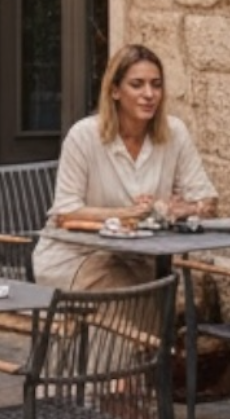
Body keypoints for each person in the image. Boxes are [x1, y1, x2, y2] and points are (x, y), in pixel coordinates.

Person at [30, 43, 218, 290]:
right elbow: (66, 214)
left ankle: (91, 327)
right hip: (77, 257)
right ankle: (120, 328)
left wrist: (183, 209)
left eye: (156, 84)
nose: (149, 94)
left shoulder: (175, 133)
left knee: (158, 290)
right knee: (135, 294)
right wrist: (127, 213)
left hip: (140, 260)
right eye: (137, 84)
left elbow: (209, 203)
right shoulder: (83, 136)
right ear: (115, 90)